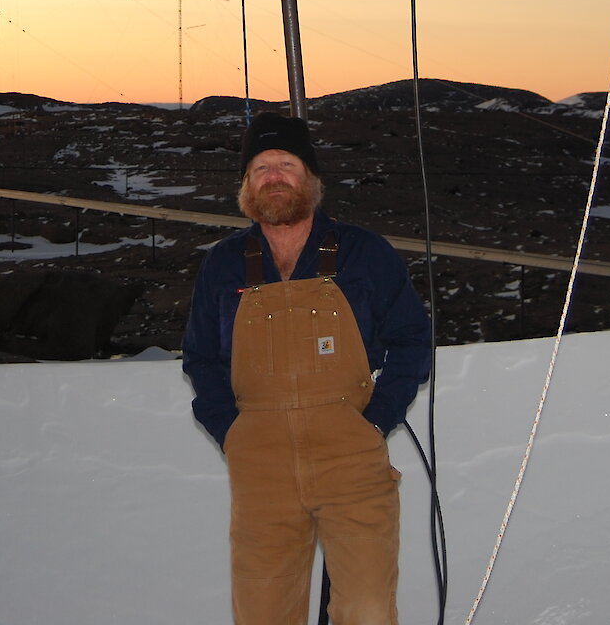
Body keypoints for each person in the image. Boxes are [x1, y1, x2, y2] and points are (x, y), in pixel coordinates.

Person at [182, 112, 433, 625]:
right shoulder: (224, 263)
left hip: (352, 464)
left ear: (311, 179)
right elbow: (201, 358)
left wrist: (375, 420)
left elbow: (412, 340)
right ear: (246, 186)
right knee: (263, 612)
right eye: (261, 168)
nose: (274, 176)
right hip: (261, 469)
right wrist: (234, 433)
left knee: (366, 608)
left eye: (287, 164)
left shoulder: (366, 253)